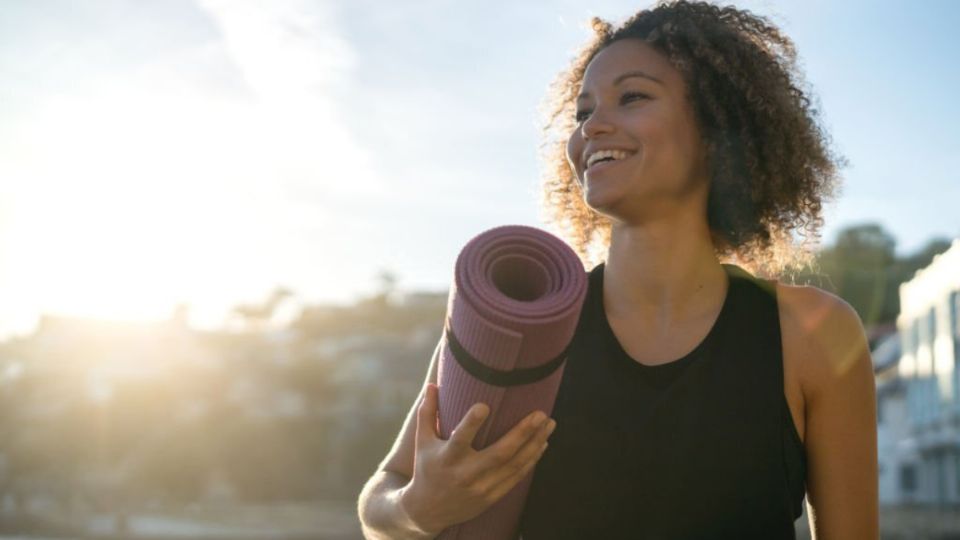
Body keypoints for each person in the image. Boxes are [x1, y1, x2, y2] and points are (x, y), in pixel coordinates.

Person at [358, 1, 878, 538]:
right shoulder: (521, 322)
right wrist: (418, 508)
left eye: (632, 97)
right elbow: (383, 497)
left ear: (718, 126)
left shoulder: (813, 334)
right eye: (583, 112)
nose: (593, 127)